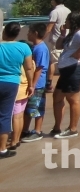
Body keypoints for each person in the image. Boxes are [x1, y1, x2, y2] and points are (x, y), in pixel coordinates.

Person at [51, 11, 80, 138]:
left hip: (75, 69)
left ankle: (72, 129)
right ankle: (57, 127)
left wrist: (77, 53)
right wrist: (63, 34)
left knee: (72, 99)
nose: (65, 22)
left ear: (73, 21)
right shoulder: (71, 34)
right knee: (57, 97)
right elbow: (58, 46)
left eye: (67, 20)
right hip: (66, 70)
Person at [0, 22, 35, 159]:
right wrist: (30, 84)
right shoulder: (24, 47)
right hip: (12, 83)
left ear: (4, 32)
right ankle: (2, 148)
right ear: (17, 34)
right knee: (5, 115)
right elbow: (28, 68)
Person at [20, 23, 49, 143]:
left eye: (29, 32)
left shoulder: (40, 48)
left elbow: (39, 68)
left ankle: (36, 130)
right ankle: (26, 130)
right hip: (37, 84)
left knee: (34, 108)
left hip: (37, 84)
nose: (28, 34)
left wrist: (33, 84)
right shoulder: (35, 47)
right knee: (33, 108)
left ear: (35, 33)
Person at [44, 0, 71, 91]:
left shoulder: (54, 12)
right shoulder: (68, 10)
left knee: (52, 62)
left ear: (55, 1)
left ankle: (49, 83)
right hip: (67, 39)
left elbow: (49, 28)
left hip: (56, 40)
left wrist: (41, 38)